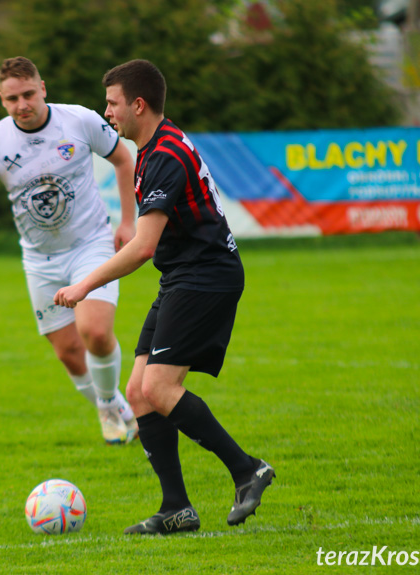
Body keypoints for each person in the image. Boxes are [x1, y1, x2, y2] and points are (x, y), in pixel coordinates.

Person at [54, 59, 275, 534]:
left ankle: (247, 469)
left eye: (112, 103)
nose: (107, 111)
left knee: (158, 388)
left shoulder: (165, 155)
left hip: (205, 277)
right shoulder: (154, 147)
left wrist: (83, 285)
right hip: (183, 276)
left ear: (138, 104)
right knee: (137, 392)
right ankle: (176, 507)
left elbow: (143, 247)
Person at [0, 57, 138, 444]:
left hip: (91, 243)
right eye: (11, 99)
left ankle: (108, 405)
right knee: (70, 353)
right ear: (2, 101)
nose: (22, 104)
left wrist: (128, 222)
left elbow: (124, 160)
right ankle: (121, 411)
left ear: (43, 88)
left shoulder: (78, 120)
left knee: (95, 333)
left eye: (27, 94)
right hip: (39, 259)